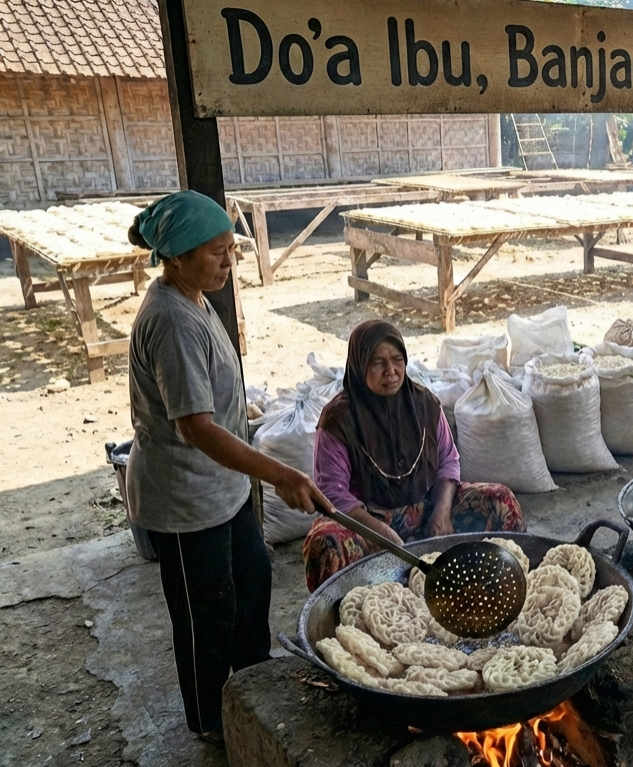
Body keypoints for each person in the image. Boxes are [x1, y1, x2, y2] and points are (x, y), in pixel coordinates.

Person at [125, 190, 330, 743]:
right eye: (217, 252)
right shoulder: (171, 320)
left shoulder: (195, 297)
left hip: (223, 487)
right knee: (205, 614)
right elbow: (195, 427)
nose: (229, 261)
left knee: (252, 577)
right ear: (176, 256)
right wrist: (280, 473)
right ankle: (212, 720)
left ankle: (253, 688)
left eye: (230, 250)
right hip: (185, 499)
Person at [302, 320, 525, 592]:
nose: (391, 371)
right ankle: (347, 612)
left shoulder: (424, 404)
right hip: (366, 522)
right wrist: (382, 533)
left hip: (426, 509)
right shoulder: (338, 419)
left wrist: (441, 512)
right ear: (360, 365)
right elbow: (331, 493)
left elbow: (448, 460)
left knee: (500, 500)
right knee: (325, 543)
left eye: (397, 360)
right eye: (378, 363)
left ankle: (499, 589)